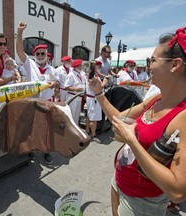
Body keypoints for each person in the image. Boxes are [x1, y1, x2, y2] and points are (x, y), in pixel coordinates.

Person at [89, 27, 186, 216]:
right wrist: (99, 94)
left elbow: (178, 191)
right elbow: (119, 119)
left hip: (142, 203)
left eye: (153, 60)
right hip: (120, 184)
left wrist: (132, 141)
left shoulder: (183, 116)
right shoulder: (156, 98)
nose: (148, 66)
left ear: (175, 65)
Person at [16, 21, 60, 165]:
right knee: (32, 127)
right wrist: (20, 32)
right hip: (33, 103)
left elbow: (58, 83)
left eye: (43, 53)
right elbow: (19, 51)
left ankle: (46, 151)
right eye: (38, 53)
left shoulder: (52, 71)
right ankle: (32, 149)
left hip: (47, 103)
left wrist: (55, 84)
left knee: (47, 129)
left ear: (47, 55)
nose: (40, 55)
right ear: (35, 55)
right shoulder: (30, 64)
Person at [85, 60, 108, 143]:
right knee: (93, 119)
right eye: (98, 66)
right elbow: (98, 87)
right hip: (93, 99)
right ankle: (93, 135)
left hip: (92, 99)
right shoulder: (92, 77)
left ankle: (87, 131)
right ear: (95, 67)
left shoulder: (93, 75)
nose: (100, 68)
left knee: (89, 116)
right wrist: (104, 82)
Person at [65, 59, 86, 125]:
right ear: (76, 67)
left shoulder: (81, 74)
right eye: (80, 66)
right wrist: (76, 89)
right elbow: (66, 87)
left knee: (77, 116)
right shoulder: (71, 75)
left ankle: (75, 130)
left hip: (79, 97)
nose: (81, 67)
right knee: (72, 116)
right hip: (72, 97)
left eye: (81, 66)